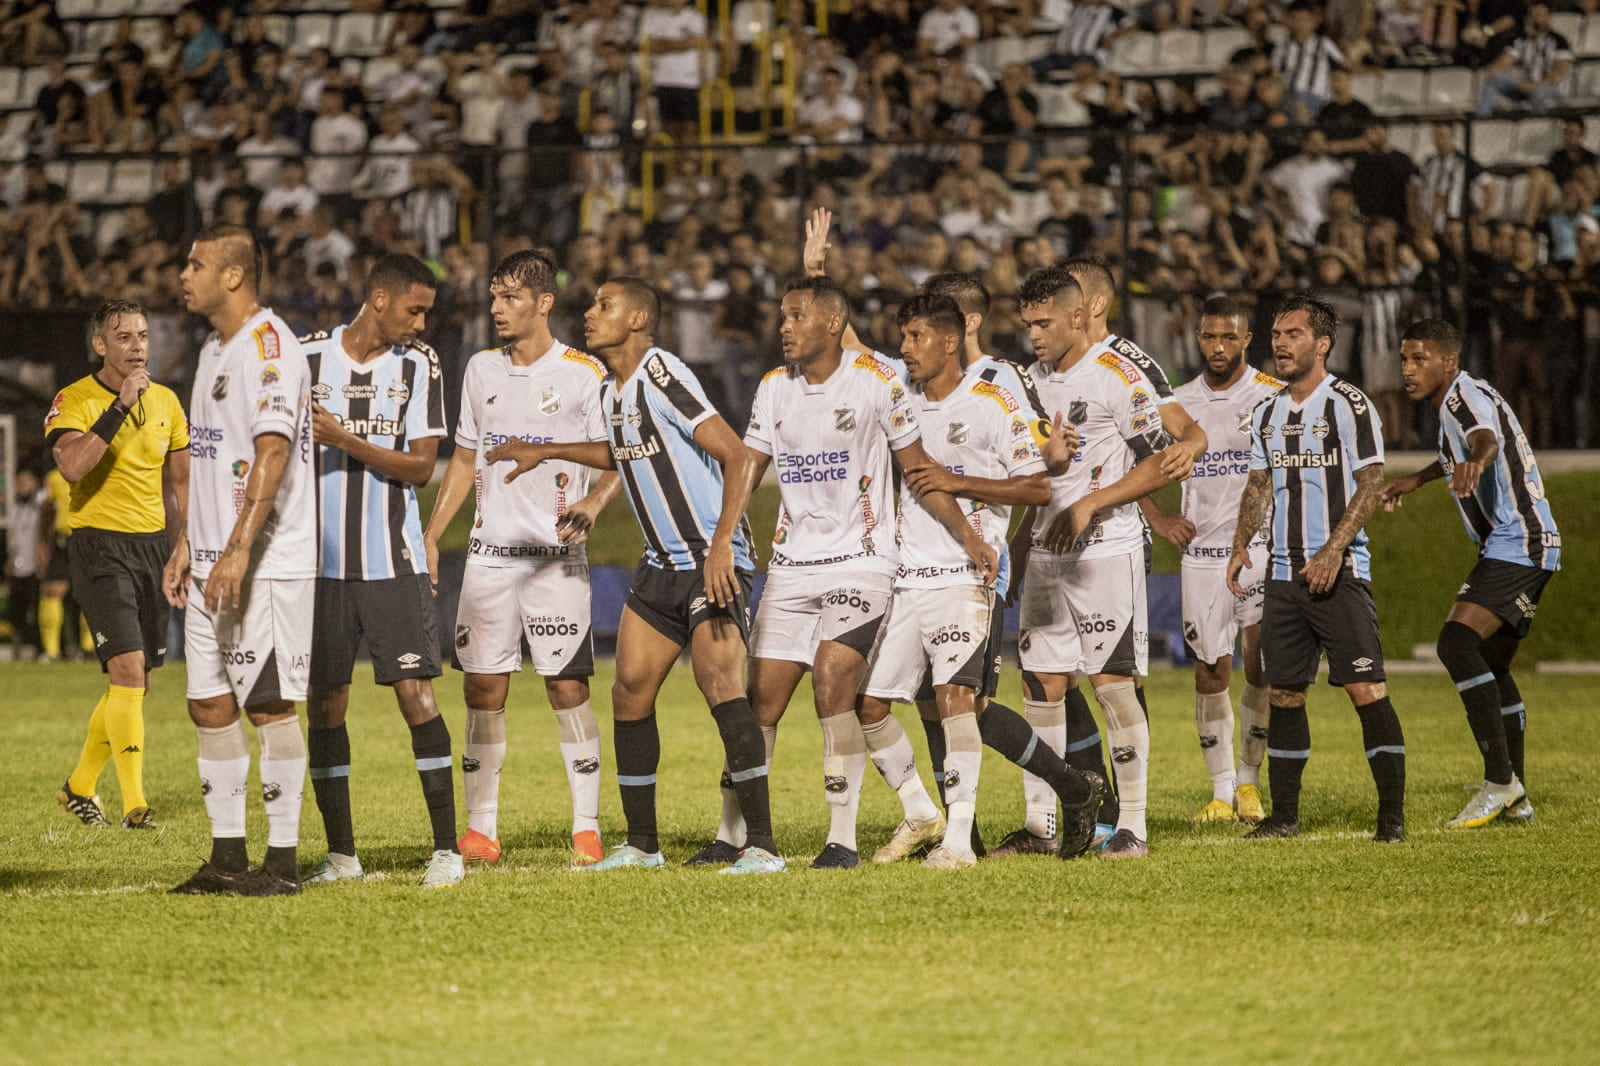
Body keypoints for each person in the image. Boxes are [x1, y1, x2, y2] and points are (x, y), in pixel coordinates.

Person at [485, 277, 782, 875]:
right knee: (629, 693)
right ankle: (643, 845)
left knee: (719, 683)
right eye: (592, 305)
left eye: (605, 305)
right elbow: (622, 452)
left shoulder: (662, 373)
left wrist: (724, 542)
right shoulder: (611, 392)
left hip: (707, 558)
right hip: (660, 564)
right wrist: (558, 460)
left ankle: (765, 848)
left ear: (639, 317)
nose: (590, 315)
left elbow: (737, 454)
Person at [697, 276, 996, 869]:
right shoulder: (773, 388)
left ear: (833, 324)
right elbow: (749, 465)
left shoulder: (879, 382)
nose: (784, 326)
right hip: (791, 567)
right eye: (783, 316)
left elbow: (917, 469)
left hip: (862, 563)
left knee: (833, 684)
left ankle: (843, 840)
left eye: (797, 316)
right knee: (761, 703)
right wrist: (723, 539)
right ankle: (733, 834)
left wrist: (968, 535)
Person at [856, 293, 1105, 869]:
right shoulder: (900, 401)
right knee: (871, 706)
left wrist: (959, 484)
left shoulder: (993, 402)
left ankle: (958, 842)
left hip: (967, 576)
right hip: (907, 577)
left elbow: (1037, 488)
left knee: (958, 703)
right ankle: (1067, 787)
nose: (904, 348)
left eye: (915, 336)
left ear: (948, 340)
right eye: (902, 336)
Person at [422, 250, 621, 869]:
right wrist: (432, 535)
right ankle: (481, 827)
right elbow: (463, 459)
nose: (496, 308)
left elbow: (618, 456)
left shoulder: (585, 373)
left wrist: (594, 500)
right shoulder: (480, 370)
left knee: (567, 686)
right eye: (493, 296)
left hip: (555, 558)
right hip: (488, 555)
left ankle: (586, 825)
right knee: (483, 686)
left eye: (510, 297)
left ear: (543, 303)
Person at [1005, 265, 1201, 860]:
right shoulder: (1027, 383)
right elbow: (1033, 479)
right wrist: (1016, 551)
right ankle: (1041, 826)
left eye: (1043, 323)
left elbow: (1159, 460)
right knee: (1041, 686)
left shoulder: (1118, 374)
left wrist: (1093, 501)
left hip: (1106, 553)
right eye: (1027, 324)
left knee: (1114, 686)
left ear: (1077, 314)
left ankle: (1132, 827)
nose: (1034, 334)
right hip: (1044, 555)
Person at [164, 224, 317, 895]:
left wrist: (237, 549)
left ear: (233, 275)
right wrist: (186, 544)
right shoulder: (212, 349)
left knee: (268, 705)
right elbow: (207, 453)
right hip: (208, 563)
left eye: (194, 264)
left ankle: (281, 864)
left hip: (262, 562)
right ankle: (227, 855)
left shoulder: (270, 345)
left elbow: (272, 453)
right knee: (209, 705)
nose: (182, 275)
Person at [300, 254, 462, 888]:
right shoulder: (306, 358)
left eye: (426, 312)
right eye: (413, 309)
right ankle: (342, 856)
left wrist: (344, 440)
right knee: (325, 705)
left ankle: (446, 851)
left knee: (417, 697)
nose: (421, 323)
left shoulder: (419, 364)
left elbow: (422, 467)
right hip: (319, 567)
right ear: (377, 299)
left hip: (392, 559)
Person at [1226, 295, 1407, 843]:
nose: (1280, 343)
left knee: (1365, 689)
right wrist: (1240, 545)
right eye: (1276, 334)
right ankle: (1284, 818)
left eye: (1293, 334)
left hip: (1341, 573)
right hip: (1282, 576)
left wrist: (1332, 550)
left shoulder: (1350, 405)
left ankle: (1392, 819)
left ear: (1322, 344)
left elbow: (1372, 483)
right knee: (1285, 693)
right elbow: (1258, 484)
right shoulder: (1265, 412)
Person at [1382, 318, 1557, 827]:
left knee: (1456, 644)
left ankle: (1500, 782)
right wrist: (1417, 479)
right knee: (1491, 665)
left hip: (1517, 542)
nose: (1408, 370)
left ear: (1448, 361)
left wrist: (1478, 462)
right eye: (1403, 359)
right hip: (1517, 544)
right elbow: (1460, 449)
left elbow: (1485, 440)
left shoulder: (1463, 397)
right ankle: (1515, 794)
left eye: (1419, 359)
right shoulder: (1452, 406)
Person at [43, 301, 189, 829]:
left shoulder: (170, 402)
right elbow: (73, 464)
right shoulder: (74, 399)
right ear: (100, 345)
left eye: (143, 336)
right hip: (99, 546)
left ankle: (79, 786)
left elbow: (181, 483)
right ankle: (135, 804)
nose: (136, 346)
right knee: (127, 672)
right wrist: (119, 408)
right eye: (122, 336)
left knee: (139, 684)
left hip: (152, 548)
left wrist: (185, 545)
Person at [1141, 296, 1282, 824]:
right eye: (1208, 337)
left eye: (1229, 338)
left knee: (1260, 662)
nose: (1217, 347)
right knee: (1209, 669)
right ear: (1197, 338)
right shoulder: (1178, 403)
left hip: (1260, 549)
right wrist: (1158, 518)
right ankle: (1222, 792)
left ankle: (1250, 783)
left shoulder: (1272, 396)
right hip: (1200, 554)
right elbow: (1134, 461)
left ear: (1248, 340)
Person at [5, 468, 46, 660]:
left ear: (35, 484)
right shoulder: (14, 509)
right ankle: (29, 645)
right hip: (18, 567)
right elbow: (13, 538)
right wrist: (9, 560)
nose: (21, 486)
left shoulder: (41, 508)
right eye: (18, 482)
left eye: (25, 482)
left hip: (35, 568)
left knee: (38, 612)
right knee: (14, 612)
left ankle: (42, 649)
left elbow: (44, 536)